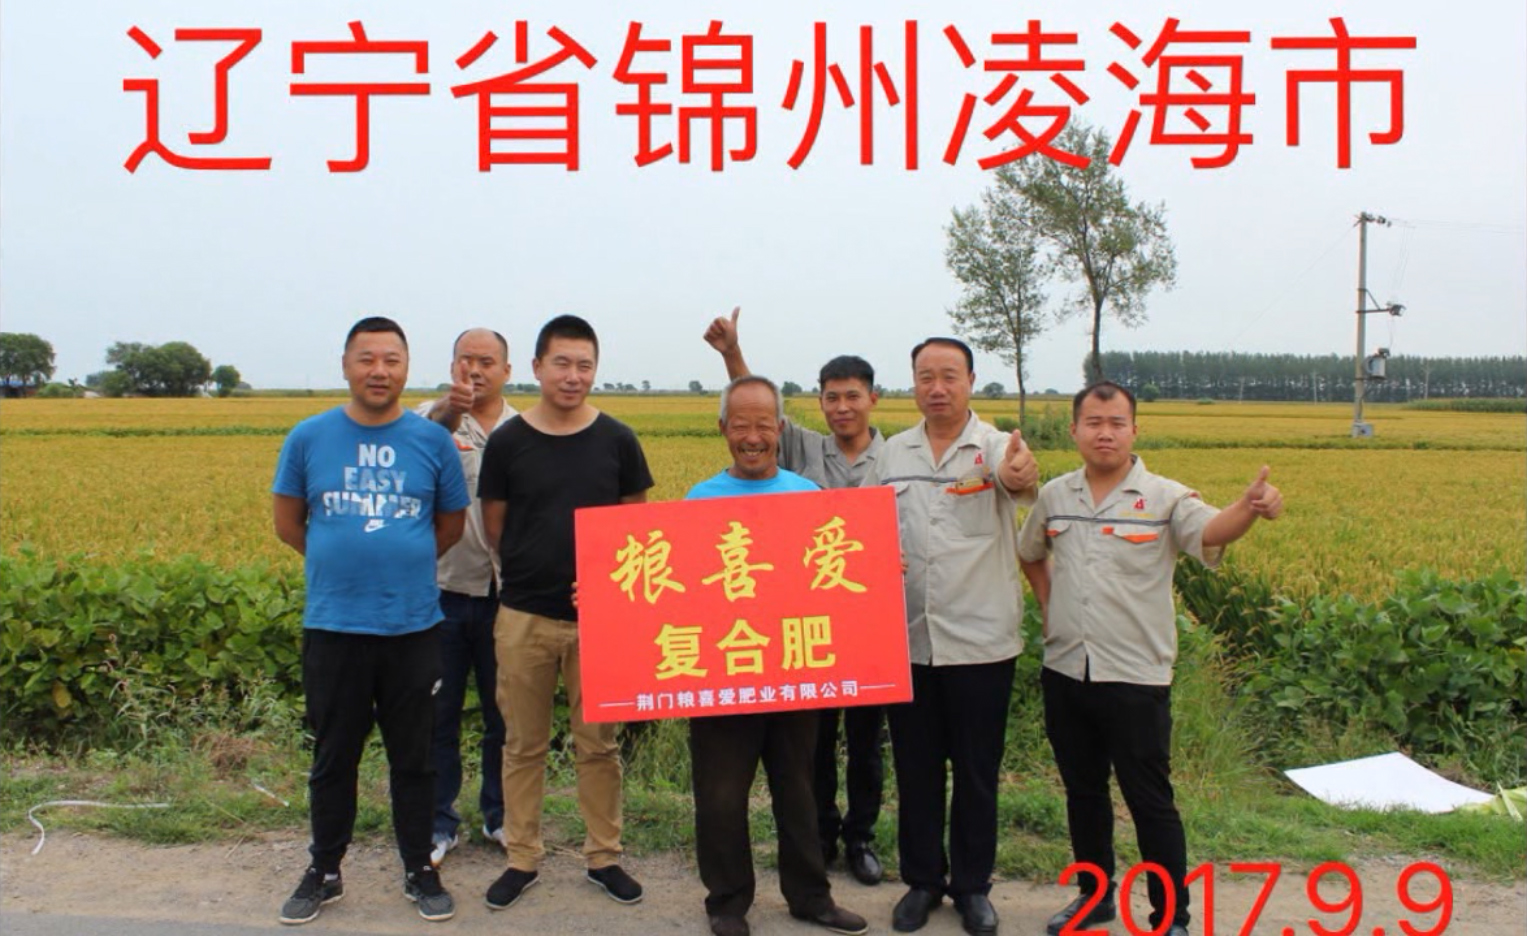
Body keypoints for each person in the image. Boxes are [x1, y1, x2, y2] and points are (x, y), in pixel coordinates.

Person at [1018, 382, 1282, 936]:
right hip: (1066, 671)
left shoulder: (1165, 498)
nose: (1105, 433)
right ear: (1074, 430)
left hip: (1135, 678)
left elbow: (1212, 530)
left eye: (1117, 423)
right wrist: (1047, 605)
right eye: (1094, 422)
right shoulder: (1056, 496)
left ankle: (1170, 918)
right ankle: (1094, 899)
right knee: (1084, 794)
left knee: (1150, 801)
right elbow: (1030, 552)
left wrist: (1248, 508)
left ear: (1134, 430)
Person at [272, 316, 469, 926]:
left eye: (391, 359)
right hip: (334, 626)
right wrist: (344, 563)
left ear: (406, 368)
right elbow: (288, 523)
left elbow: (449, 526)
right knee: (334, 757)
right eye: (366, 359)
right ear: (346, 365)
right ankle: (325, 870)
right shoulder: (308, 437)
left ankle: (419, 868)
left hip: (413, 628)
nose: (379, 371)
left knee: (415, 759)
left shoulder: (432, 441)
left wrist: (398, 564)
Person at [703, 306, 887, 886]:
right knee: (761, 778)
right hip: (760, 653)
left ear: (873, 398)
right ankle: (759, 881)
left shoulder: (841, 480)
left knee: (834, 763)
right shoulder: (708, 495)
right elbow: (755, 413)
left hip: (832, 643)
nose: (843, 406)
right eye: (832, 397)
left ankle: (837, 864)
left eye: (852, 396)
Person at [862, 337, 1038, 936]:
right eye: (925, 376)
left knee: (976, 772)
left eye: (949, 376)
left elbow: (1021, 481)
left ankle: (971, 887)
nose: (937, 388)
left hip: (981, 641)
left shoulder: (996, 448)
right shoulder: (892, 453)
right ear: (913, 383)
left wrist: (1017, 474)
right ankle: (921, 882)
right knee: (916, 771)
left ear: (970, 382)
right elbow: (867, 527)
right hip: (908, 640)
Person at [685, 375, 870, 936]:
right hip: (723, 676)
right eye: (740, 425)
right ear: (722, 428)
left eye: (764, 425)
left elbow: (834, 579)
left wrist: (876, 569)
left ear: (780, 428)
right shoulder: (697, 501)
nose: (752, 436)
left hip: (793, 672)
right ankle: (727, 901)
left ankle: (811, 896)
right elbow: (676, 592)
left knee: (800, 791)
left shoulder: (807, 496)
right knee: (720, 797)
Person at [478, 314, 651, 911]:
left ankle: (604, 856)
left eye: (584, 365)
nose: (573, 376)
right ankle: (521, 857)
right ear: (537, 367)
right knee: (522, 744)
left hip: (600, 622)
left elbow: (635, 528)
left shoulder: (618, 440)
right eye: (562, 363)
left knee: (598, 745)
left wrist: (605, 588)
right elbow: (495, 528)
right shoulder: (508, 442)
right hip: (523, 615)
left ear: (595, 370)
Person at [416, 328, 516, 866]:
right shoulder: (427, 419)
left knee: (506, 717)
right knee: (439, 713)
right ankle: (438, 823)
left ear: (507, 370)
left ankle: (499, 816)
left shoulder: (526, 428)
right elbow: (422, 443)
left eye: (486, 361)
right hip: (444, 591)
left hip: (507, 594)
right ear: (452, 365)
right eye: (465, 360)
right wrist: (449, 412)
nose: (475, 370)